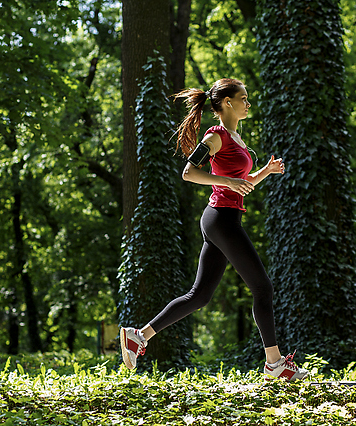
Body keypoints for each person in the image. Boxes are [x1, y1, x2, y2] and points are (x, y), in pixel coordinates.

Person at [119, 78, 308, 381]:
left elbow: (240, 183)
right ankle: (275, 364)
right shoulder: (216, 136)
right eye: (243, 98)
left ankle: (138, 336)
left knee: (199, 296)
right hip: (221, 218)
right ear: (228, 103)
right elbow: (189, 172)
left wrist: (266, 172)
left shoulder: (236, 137)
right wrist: (228, 182)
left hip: (224, 217)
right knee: (263, 288)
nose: (248, 103)